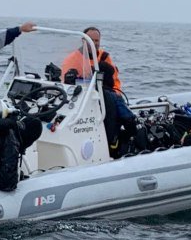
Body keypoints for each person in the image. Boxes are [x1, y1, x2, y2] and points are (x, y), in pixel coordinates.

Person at [58, 27, 144, 156]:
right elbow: (66, 84)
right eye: (90, 40)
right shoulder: (72, 60)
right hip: (83, 99)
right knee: (122, 113)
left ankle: (123, 139)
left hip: (106, 96)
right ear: (83, 40)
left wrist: (116, 94)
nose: (94, 43)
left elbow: (115, 80)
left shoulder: (104, 57)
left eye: (96, 40)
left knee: (116, 107)